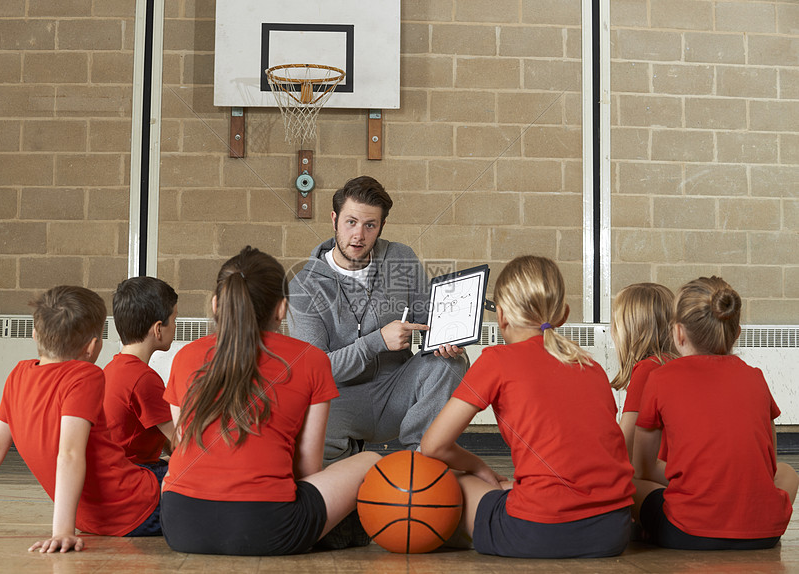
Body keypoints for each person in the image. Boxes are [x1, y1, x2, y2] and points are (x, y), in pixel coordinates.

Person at [159, 246, 381, 555]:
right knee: (372, 461)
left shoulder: (185, 357)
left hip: (180, 526)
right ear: (281, 309)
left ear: (215, 304)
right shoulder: (312, 360)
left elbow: (181, 442)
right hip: (268, 530)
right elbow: (307, 468)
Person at [421, 255, 635, 559]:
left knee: (450, 480)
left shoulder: (495, 360)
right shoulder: (592, 366)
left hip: (537, 532)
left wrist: (481, 469)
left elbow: (432, 446)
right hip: (613, 533)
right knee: (512, 489)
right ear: (563, 314)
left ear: (503, 316)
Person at [0, 286, 162, 552]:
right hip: (137, 510)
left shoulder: (17, 375)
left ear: (35, 334)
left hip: (87, 518)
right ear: (92, 346)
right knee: (196, 470)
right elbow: (68, 453)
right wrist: (62, 532)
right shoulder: (85, 375)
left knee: (157, 466)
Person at [288, 175, 468, 462]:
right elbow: (316, 369)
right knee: (303, 413)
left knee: (451, 362)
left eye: (369, 225)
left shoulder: (401, 259)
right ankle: (347, 463)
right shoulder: (304, 286)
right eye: (351, 222)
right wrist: (377, 341)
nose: (358, 235)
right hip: (340, 401)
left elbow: (428, 322)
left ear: (381, 226)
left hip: (396, 390)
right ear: (334, 220)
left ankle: (422, 460)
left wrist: (447, 339)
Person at [632, 276, 799, 550]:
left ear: (678, 333)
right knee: (788, 472)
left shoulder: (661, 377)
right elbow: (768, 467)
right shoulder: (755, 377)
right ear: (737, 333)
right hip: (764, 533)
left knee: (630, 482)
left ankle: (647, 530)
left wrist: (695, 478)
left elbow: (643, 467)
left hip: (688, 532)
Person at [103, 276, 177, 473]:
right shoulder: (143, 378)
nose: (176, 327)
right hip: (131, 473)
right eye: (174, 320)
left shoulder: (113, 368)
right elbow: (181, 439)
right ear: (158, 329)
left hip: (115, 468)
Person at [610, 282, 675, 463]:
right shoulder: (673, 363)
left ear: (629, 330)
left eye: (614, 323)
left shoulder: (648, 369)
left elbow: (623, 448)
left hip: (663, 480)